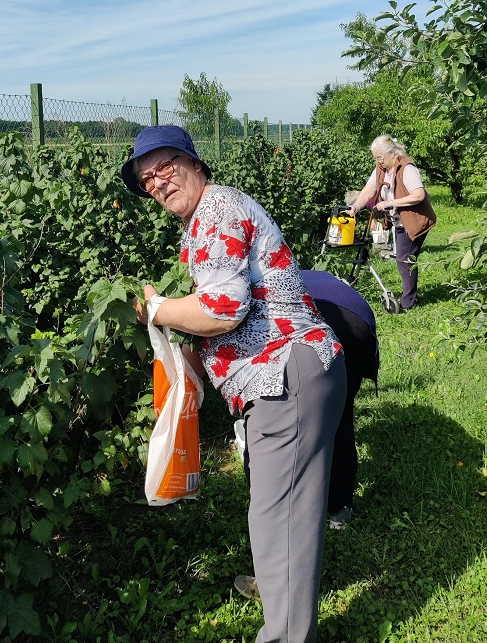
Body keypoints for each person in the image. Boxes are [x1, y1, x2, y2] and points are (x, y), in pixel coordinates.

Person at [121, 125, 346, 643]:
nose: (156, 183)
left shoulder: (217, 209)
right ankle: (280, 590)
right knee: (282, 508)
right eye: (146, 178)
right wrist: (194, 372)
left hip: (284, 374)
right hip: (288, 375)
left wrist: (156, 310)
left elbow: (223, 309)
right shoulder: (205, 219)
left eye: (164, 167)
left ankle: (286, 631)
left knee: (278, 516)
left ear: (195, 162)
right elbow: (223, 318)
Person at [299, 270, 378, 530]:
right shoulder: (322, 276)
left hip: (309, 317)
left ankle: (298, 508)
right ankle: (339, 510)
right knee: (340, 416)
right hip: (356, 319)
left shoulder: (260, 283)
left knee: (289, 417)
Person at [347, 135, 436, 310]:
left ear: (392, 153)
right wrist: (355, 207)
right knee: (404, 258)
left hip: (414, 220)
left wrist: (390, 203)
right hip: (399, 221)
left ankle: (407, 303)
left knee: (404, 259)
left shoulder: (406, 168)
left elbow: (419, 195)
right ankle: (410, 297)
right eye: (376, 158)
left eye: (379, 157)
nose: (378, 161)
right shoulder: (381, 169)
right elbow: (368, 191)